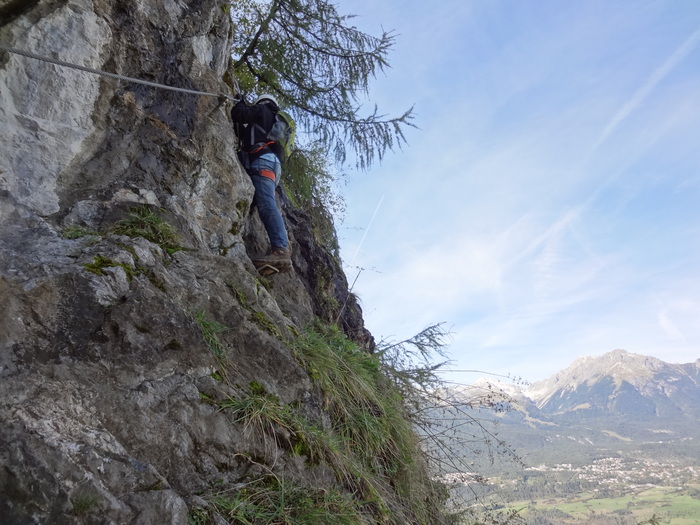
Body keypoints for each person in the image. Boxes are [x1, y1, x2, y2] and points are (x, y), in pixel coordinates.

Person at [231, 94, 292, 273]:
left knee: (266, 204)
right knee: (265, 202)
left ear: (262, 102)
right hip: (273, 165)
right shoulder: (273, 123)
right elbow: (244, 131)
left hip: (262, 160)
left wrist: (240, 102)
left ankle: (280, 250)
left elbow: (239, 115)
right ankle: (277, 250)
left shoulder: (263, 110)